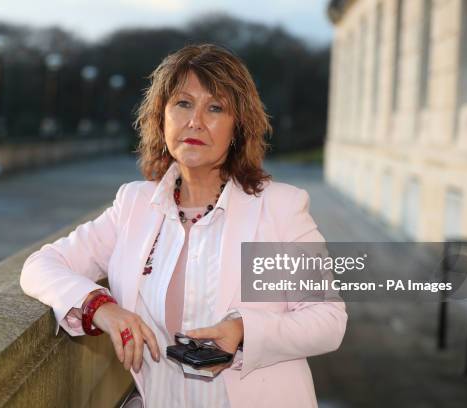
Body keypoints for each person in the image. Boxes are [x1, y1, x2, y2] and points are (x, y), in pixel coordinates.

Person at [20, 43, 347, 408]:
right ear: (161, 117)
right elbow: (40, 267)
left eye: (216, 108)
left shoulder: (280, 208)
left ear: (238, 127)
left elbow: (328, 319)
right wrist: (102, 308)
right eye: (183, 103)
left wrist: (243, 331)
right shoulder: (134, 204)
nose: (196, 121)